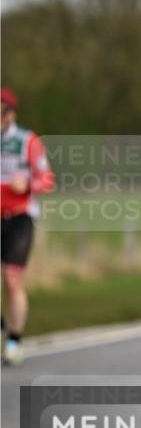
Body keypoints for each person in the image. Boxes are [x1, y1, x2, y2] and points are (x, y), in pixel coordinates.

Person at [1, 87, 56, 366]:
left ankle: (14, 340)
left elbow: (47, 180)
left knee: (12, 280)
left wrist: (27, 185)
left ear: (11, 114)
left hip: (20, 218)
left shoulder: (28, 141)